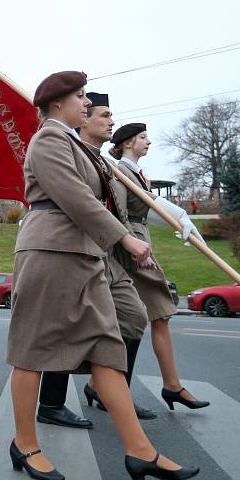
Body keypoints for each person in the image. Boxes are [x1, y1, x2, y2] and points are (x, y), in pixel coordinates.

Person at [6, 71, 198, 480]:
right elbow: (73, 197)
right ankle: (25, 442)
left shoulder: (78, 143)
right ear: (58, 103)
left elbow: (115, 191)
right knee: (33, 349)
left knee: (108, 348)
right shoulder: (49, 139)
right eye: (80, 98)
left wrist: (175, 216)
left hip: (87, 255)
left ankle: (140, 451)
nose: (86, 105)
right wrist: (124, 238)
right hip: (51, 251)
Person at [37, 93, 155, 428]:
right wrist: (126, 239)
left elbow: (127, 209)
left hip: (109, 255)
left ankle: (108, 392)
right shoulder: (67, 152)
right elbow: (77, 203)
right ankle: (51, 403)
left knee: (133, 318)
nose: (111, 122)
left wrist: (140, 242)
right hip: (76, 250)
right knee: (69, 326)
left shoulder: (107, 164)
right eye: (104, 115)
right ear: (83, 119)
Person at [95, 122, 210, 411]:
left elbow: (149, 207)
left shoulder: (135, 174)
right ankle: (112, 388)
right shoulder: (120, 172)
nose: (149, 141)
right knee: (146, 316)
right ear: (128, 142)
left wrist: (182, 218)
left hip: (139, 244)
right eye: (143, 137)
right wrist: (177, 216)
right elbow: (125, 212)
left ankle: (169, 385)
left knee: (157, 316)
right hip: (132, 251)